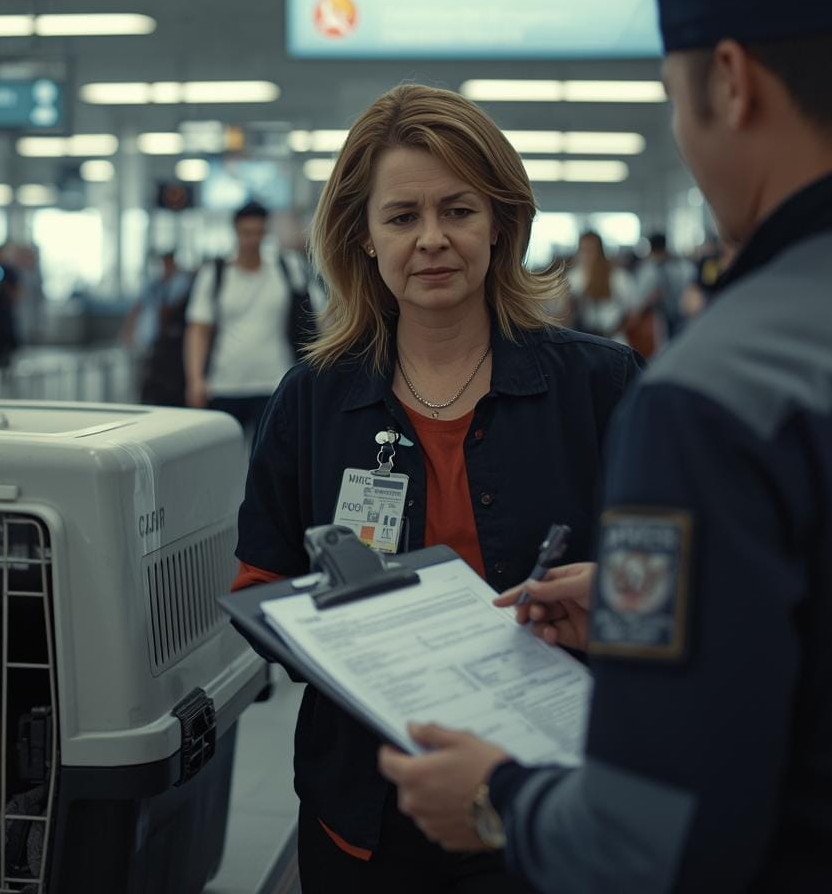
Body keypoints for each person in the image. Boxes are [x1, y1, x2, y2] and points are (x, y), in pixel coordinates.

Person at [380, 0, 832, 891]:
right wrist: (639, 620)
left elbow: (653, 840)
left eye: (673, 99)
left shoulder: (719, 391)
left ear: (730, 82)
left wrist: (500, 798)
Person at [233, 83, 641, 891]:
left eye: (457, 210)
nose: (432, 241)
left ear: (500, 223)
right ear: (364, 237)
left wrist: (619, 609)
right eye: (402, 216)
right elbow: (261, 582)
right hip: (368, 812)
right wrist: (352, 645)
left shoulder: (601, 386)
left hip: (557, 802)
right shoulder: (314, 400)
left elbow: (682, 588)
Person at [183, 201, 314, 433]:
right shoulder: (215, 273)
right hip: (224, 383)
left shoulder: (287, 267)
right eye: (246, 233)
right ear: (235, 231)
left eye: (258, 233)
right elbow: (198, 329)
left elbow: (316, 317)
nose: (253, 240)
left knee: (273, 462)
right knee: (224, 459)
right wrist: (195, 380)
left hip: (276, 380)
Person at [127, 251, 196, 406]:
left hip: (170, 345)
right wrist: (129, 333)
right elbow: (137, 308)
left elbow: (171, 311)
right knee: (146, 377)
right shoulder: (153, 283)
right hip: (149, 339)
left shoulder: (181, 283)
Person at [631, 232, 696, 347]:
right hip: (673, 319)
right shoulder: (684, 266)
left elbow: (638, 300)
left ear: (650, 248)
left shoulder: (648, 271)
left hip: (669, 319)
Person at [569, 231, 636, 342]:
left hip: (614, 340)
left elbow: (632, 313)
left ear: (600, 252)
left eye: (591, 250)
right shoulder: (573, 278)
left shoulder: (618, 276)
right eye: (583, 250)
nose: (586, 255)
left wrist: (612, 332)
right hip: (585, 340)